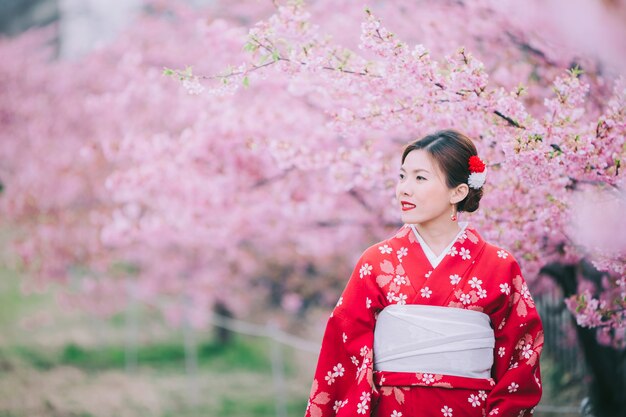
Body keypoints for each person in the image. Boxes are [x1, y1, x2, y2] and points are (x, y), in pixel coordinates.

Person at [304, 130, 543, 417]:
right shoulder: (377, 262)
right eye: (402, 176)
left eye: (420, 178)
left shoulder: (500, 265)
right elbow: (343, 351)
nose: (404, 189)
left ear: (458, 191)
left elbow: (521, 357)